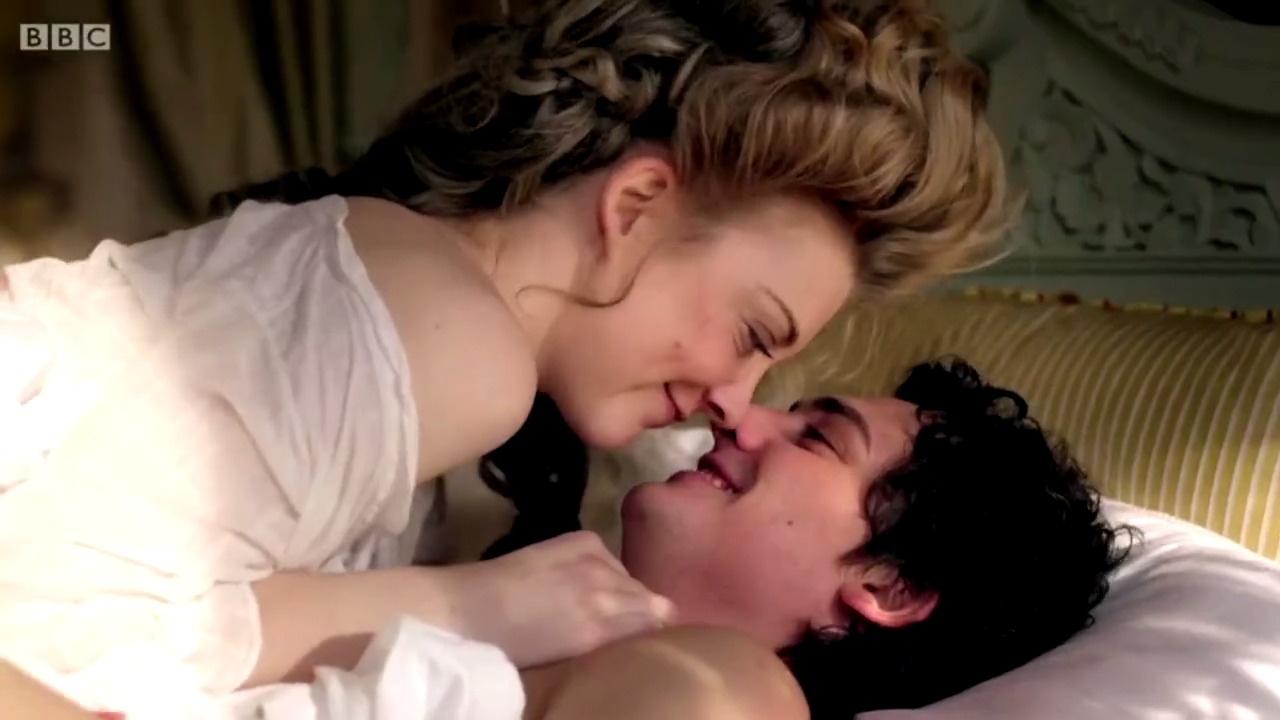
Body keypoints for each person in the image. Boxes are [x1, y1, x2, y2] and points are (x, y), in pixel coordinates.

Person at [0, 0, 1011, 714]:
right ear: (635, 207)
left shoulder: (434, 341)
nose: (734, 403)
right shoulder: (454, 343)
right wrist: (460, 607)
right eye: (753, 335)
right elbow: (36, 624)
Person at [230, 357, 1133, 720]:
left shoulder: (733, 690)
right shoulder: (532, 605)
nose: (744, 419)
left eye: (817, 438)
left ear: (889, 586)